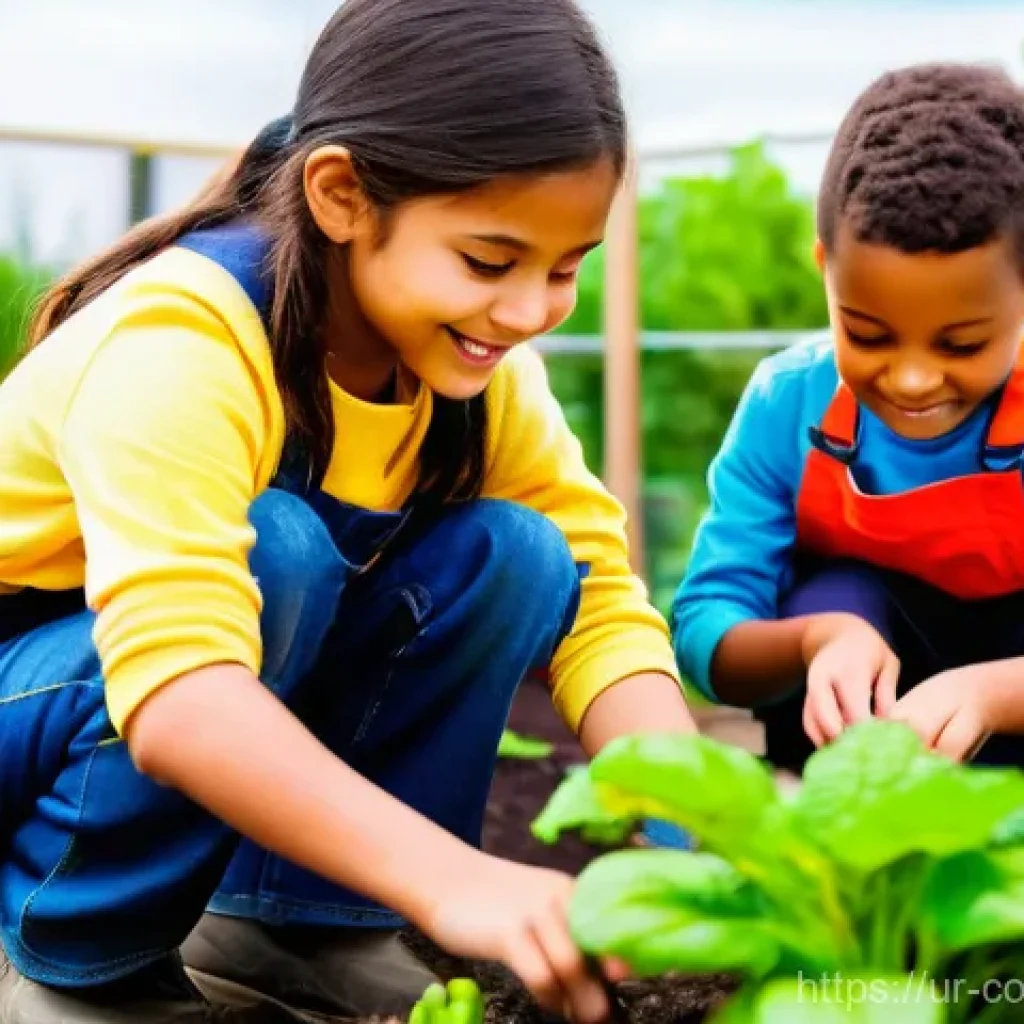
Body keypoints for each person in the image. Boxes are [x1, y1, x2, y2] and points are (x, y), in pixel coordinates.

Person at [0, 1, 699, 1021]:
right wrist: (452, 878)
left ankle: (293, 927)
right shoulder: (183, 342)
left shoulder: (474, 370)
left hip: (112, 694)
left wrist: (702, 823)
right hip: (37, 699)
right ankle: (73, 957)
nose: (528, 310)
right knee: (275, 548)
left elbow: (596, 595)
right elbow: (181, 689)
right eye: (489, 260)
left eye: (565, 266)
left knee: (520, 556)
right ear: (341, 195)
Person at [672, 61, 1024, 775]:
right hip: (855, 759)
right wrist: (819, 640)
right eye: (867, 334)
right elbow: (708, 624)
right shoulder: (788, 402)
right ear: (825, 267)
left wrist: (994, 692)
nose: (913, 378)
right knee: (836, 592)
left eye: (963, 343)